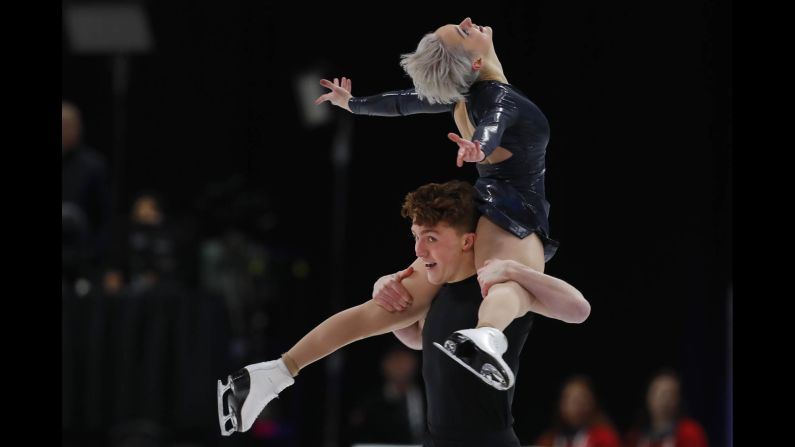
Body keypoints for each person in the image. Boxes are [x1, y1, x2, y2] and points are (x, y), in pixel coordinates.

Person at [217, 181, 590, 437]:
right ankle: (273, 373)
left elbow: (578, 310)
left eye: (431, 238)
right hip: (434, 441)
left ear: (467, 242)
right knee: (372, 311)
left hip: (488, 442)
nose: (418, 251)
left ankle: (487, 335)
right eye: (415, 238)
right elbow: (411, 340)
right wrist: (382, 287)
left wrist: (515, 269)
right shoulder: (431, 292)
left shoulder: (498, 285)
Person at [314, 17, 570, 389]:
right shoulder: (501, 97)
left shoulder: (461, 97)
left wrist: (353, 104)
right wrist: (479, 145)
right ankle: (486, 335)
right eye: (464, 32)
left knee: (399, 305)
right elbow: (495, 121)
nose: (469, 21)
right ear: (476, 64)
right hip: (515, 211)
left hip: (482, 203)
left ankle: (282, 369)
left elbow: (401, 104)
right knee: (504, 287)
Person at [624, 369, 709, 447]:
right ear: (648, 397)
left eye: (670, 394)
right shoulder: (635, 437)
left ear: (678, 400)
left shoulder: (689, 432)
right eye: (659, 393)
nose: (664, 400)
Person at [535, 375, 622, 447]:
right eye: (572, 400)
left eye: (582, 400)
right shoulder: (547, 440)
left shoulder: (605, 438)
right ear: (560, 404)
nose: (577, 406)